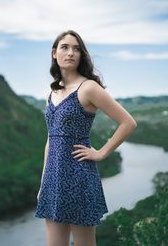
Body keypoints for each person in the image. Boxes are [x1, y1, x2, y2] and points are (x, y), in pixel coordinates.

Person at [35, 29, 137, 246]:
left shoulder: (89, 87)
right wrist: (44, 182)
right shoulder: (50, 93)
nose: (70, 52)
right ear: (54, 53)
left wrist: (101, 153)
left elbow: (128, 122)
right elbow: (50, 140)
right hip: (54, 179)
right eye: (65, 47)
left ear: (81, 55)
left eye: (76, 49)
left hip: (80, 176)